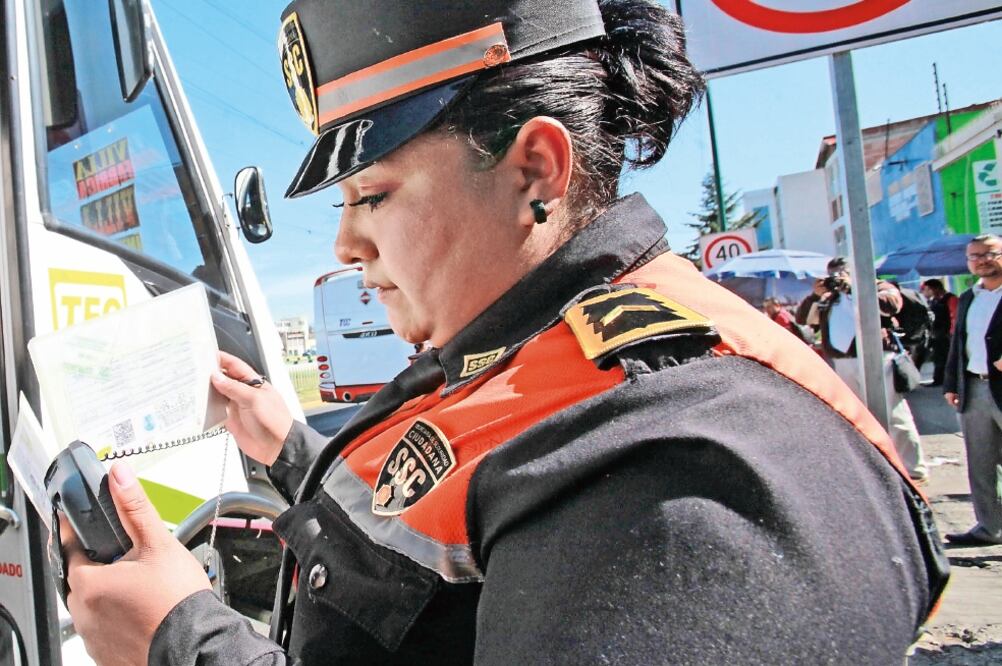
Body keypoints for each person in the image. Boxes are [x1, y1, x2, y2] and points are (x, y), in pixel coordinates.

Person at [60, 1, 947, 664]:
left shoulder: (676, 468)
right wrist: (289, 450)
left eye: (372, 196)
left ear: (536, 169)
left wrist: (180, 639)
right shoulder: (532, 356)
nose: (344, 244)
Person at [812, 257, 929, 481]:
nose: (837, 278)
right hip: (842, 361)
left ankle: (914, 469)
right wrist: (816, 295)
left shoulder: (878, 286)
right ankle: (874, 466)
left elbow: (891, 305)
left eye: (841, 272)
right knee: (854, 414)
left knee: (892, 413)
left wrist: (854, 287)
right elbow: (805, 318)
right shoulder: (830, 298)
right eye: (832, 274)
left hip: (877, 357)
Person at [943, 234, 1002, 546]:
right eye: (974, 256)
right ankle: (990, 527)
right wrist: (952, 383)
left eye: (989, 253)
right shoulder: (969, 297)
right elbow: (958, 343)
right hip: (974, 388)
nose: (981, 260)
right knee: (981, 462)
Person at [922, 278, 959, 386]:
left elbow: (955, 316)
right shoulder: (934, 301)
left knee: (947, 358)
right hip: (937, 335)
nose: (926, 292)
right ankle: (938, 380)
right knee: (939, 358)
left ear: (935, 288)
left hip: (948, 335)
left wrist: (952, 333)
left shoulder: (950, 298)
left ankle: (947, 381)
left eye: (928, 289)